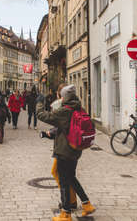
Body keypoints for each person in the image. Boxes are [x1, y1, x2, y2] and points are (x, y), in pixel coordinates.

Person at [37, 85, 95, 221]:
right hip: (76, 150)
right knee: (71, 178)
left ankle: (66, 214)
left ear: (64, 97)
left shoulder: (64, 111)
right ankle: (87, 205)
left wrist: (39, 103)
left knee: (64, 182)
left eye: (61, 96)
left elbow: (42, 116)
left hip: (64, 151)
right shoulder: (80, 108)